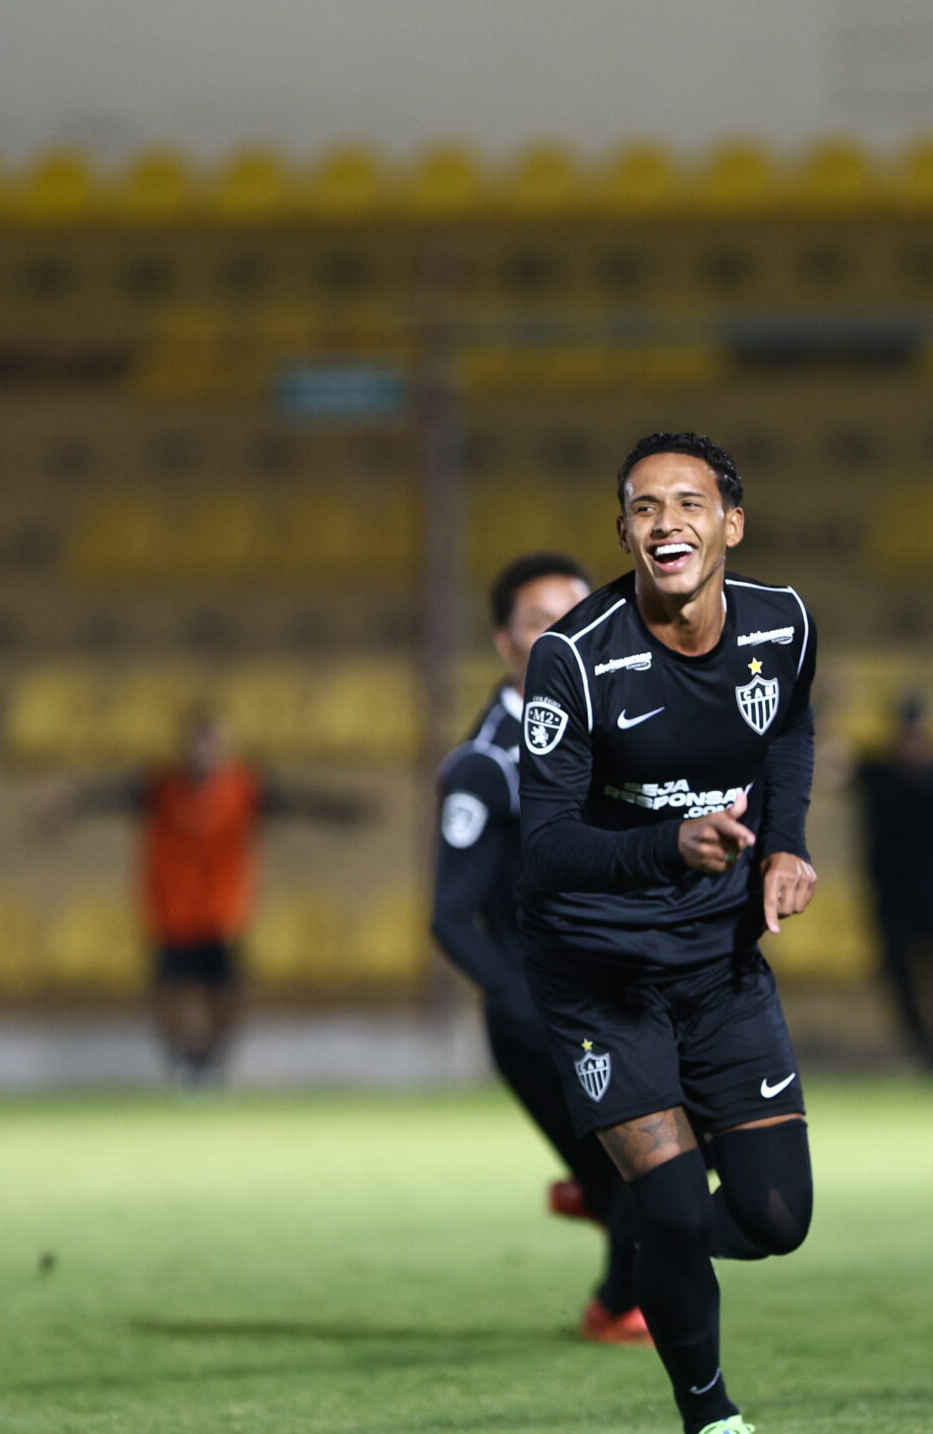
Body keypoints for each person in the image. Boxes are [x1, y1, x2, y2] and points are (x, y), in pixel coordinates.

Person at [516, 431, 819, 1434]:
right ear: (623, 533)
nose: (665, 523)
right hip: (599, 975)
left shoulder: (783, 624)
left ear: (731, 523)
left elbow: (789, 732)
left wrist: (785, 844)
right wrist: (667, 843)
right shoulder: (573, 658)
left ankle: (657, 1231)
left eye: (687, 503)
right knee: (678, 1205)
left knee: (776, 1218)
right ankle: (710, 1421)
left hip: (719, 963)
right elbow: (544, 846)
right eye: (644, 508)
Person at [432, 551, 650, 1347]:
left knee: (694, 1144)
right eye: (541, 621)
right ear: (505, 644)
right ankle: (617, 1303)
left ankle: (594, 1191)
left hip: (630, 985)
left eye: (578, 616)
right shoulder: (488, 764)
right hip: (550, 1008)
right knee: (653, 1157)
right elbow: (451, 917)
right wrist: (525, 1003)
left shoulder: (629, 731)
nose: (565, 634)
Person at [39, 706, 356, 1089]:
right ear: (186, 746)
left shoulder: (245, 786)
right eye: (200, 743)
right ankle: (180, 1060)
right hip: (171, 908)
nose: (206, 752)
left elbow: (297, 801)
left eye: (213, 744)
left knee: (228, 992)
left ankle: (215, 1060)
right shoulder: (159, 788)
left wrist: (342, 811)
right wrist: (71, 803)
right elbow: (108, 796)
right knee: (169, 992)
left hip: (222, 909)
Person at [853, 693, 933, 1075]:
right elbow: (828, 766)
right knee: (899, 973)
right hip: (888, 891)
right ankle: (926, 1052)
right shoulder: (876, 771)